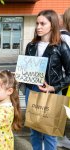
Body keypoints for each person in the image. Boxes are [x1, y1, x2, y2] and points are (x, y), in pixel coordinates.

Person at [24, 10, 70, 150]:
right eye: (37, 23)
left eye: (43, 23)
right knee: (34, 131)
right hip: (31, 91)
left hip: (52, 93)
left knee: (50, 132)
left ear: (53, 25)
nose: (38, 26)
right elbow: (26, 70)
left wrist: (53, 87)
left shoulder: (61, 46)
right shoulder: (31, 46)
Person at [57, 8, 70, 149]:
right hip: (64, 80)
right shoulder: (65, 36)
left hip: (62, 79)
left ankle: (59, 136)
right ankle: (59, 137)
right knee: (62, 109)